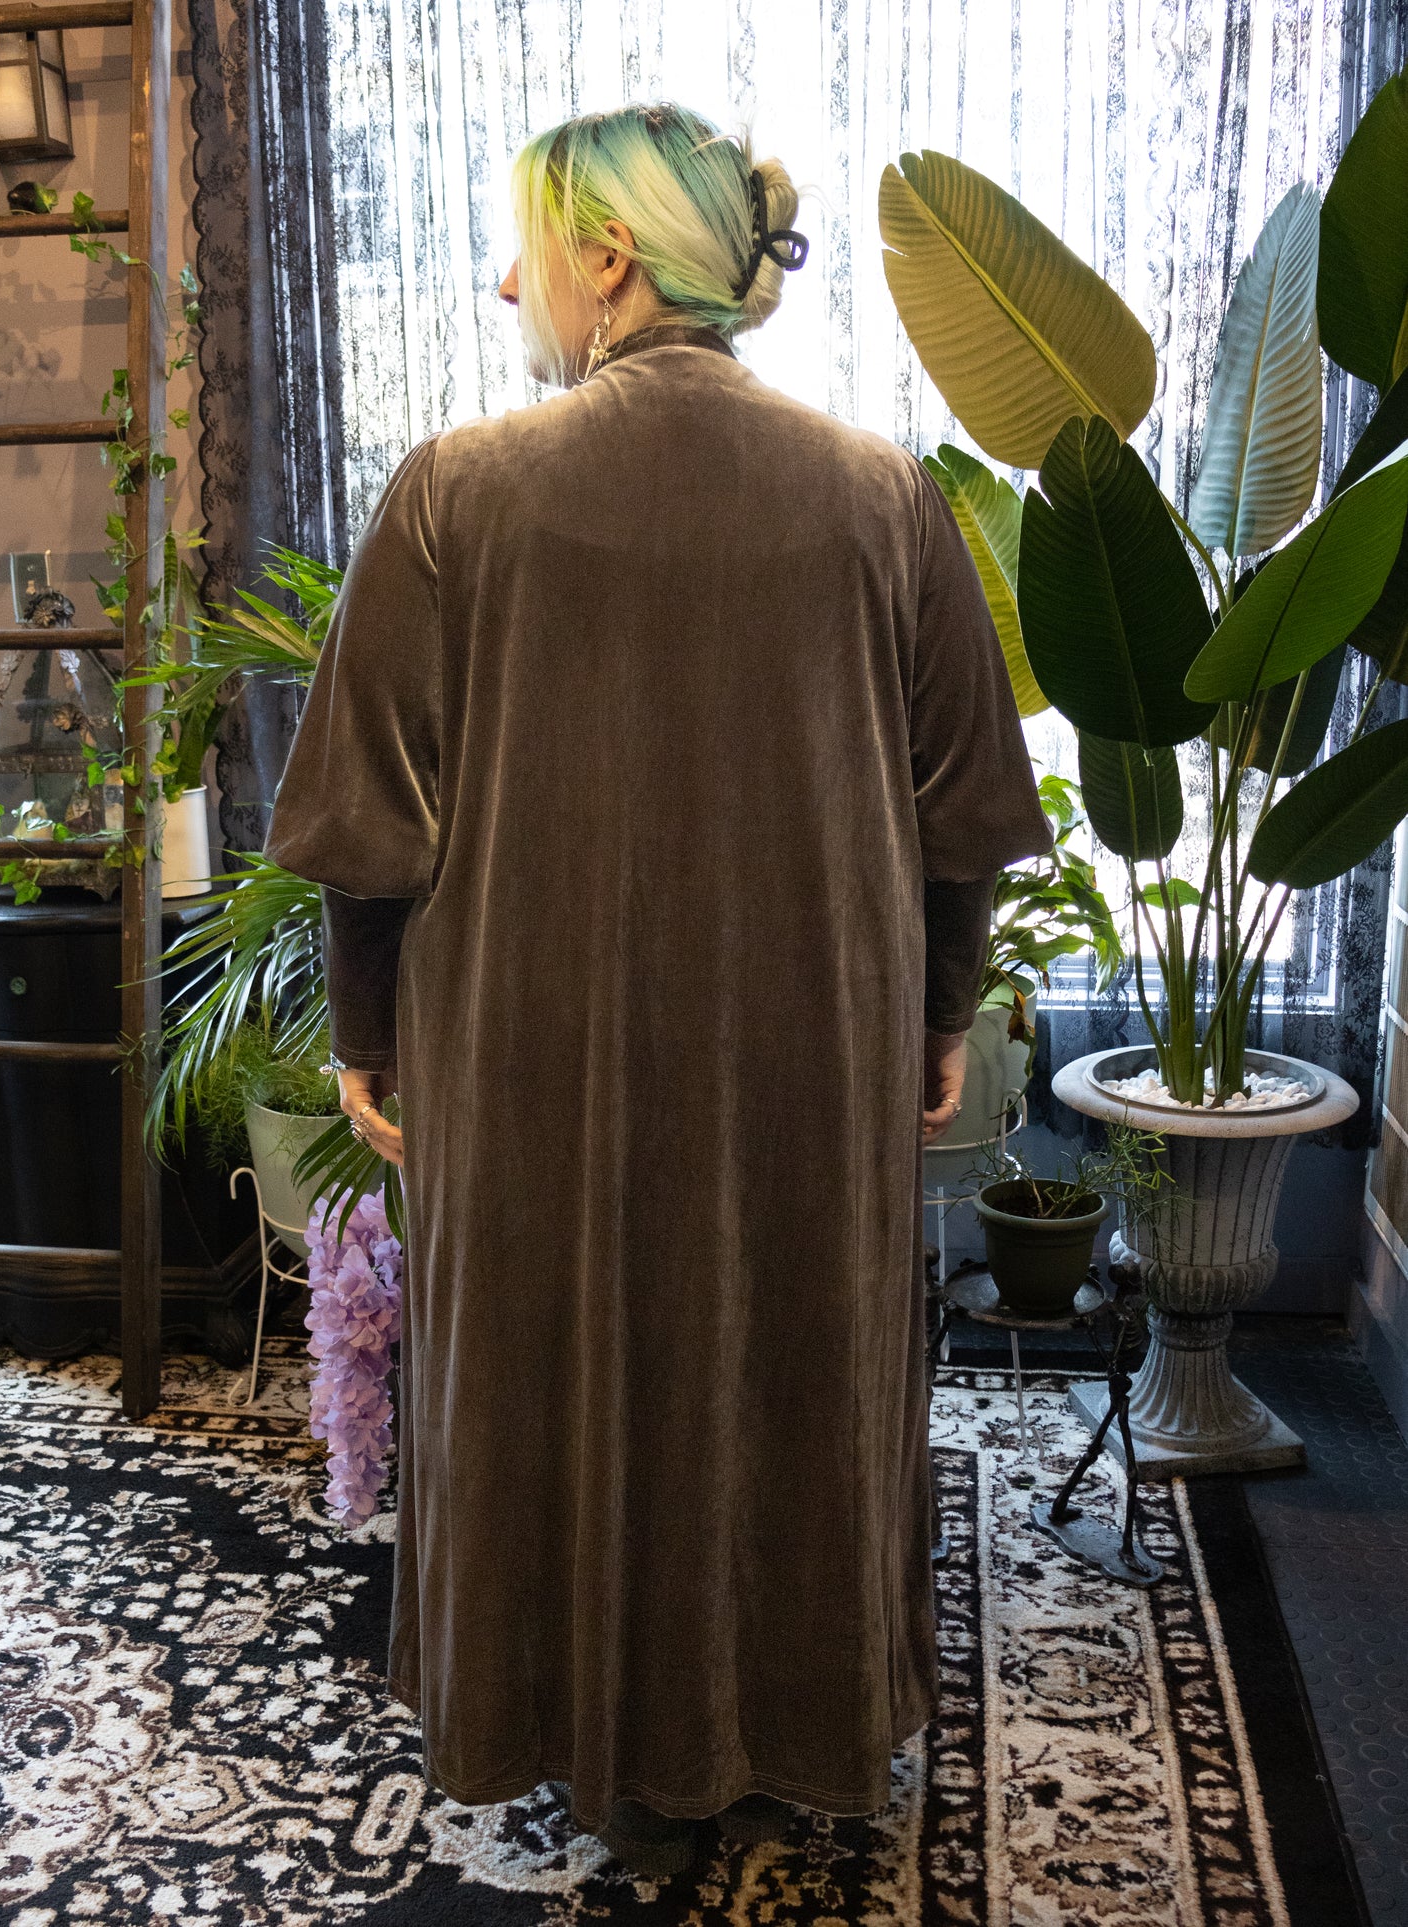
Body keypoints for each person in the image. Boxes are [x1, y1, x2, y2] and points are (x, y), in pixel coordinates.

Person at [263, 100, 1051, 1881]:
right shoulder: (882, 493)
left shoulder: (457, 490)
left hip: (527, 1044)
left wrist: (371, 1037)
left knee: (547, 1360)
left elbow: (368, 828)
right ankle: (791, 1716)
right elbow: (959, 817)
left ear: (608, 257)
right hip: (814, 1037)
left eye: (525, 245)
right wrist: (938, 1013)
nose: (505, 282)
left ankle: (561, 1717)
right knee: (795, 1351)